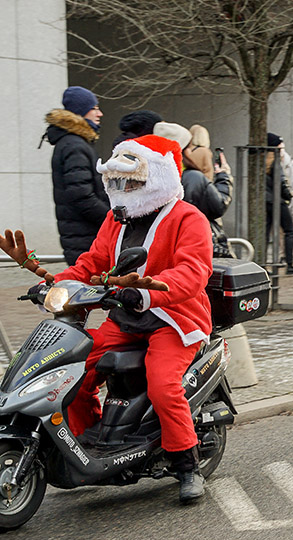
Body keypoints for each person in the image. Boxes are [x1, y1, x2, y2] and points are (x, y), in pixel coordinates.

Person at [54, 135, 214, 502]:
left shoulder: (189, 218)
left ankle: (186, 464)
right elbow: (92, 263)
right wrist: (53, 284)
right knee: (73, 371)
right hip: (125, 318)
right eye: (118, 182)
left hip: (173, 318)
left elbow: (193, 271)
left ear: (156, 178)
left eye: (132, 181)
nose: (123, 189)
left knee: (163, 385)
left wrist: (147, 291)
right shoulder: (117, 219)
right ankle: (90, 446)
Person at [43, 86, 109, 264]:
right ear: (80, 112)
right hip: (85, 237)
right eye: (94, 108)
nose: (100, 113)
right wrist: (111, 219)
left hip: (83, 235)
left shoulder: (76, 143)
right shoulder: (75, 145)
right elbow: (81, 196)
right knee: (89, 289)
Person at [154, 121, 233, 257]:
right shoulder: (193, 177)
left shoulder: (153, 178)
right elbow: (219, 205)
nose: (192, 150)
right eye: (189, 146)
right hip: (196, 247)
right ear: (181, 150)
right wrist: (224, 177)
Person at [266, 132, 293, 275]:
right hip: (278, 202)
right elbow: (283, 182)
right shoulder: (276, 162)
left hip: (266, 202)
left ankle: (262, 264)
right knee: (289, 230)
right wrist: (289, 196)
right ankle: (290, 264)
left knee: (266, 233)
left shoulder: (262, 161)